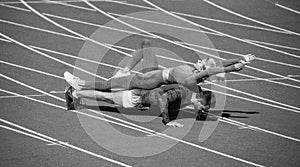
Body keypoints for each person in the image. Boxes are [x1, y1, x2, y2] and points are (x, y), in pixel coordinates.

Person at [65, 39, 255, 91]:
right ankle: (125, 69)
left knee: (108, 85)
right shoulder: (194, 71)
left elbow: (215, 68)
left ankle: (80, 84)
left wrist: (230, 69)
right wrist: (241, 59)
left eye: (203, 62)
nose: (200, 60)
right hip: (155, 72)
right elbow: (217, 64)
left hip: (147, 81)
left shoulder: (192, 77)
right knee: (146, 46)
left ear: (202, 69)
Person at [65, 83, 216, 127]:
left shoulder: (194, 95)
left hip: (142, 98)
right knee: (107, 97)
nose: (204, 112)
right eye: (204, 108)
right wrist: (168, 120)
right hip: (138, 96)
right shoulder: (184, 94)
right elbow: (164, 98)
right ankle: (75, 93)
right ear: (200, 101)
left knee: (107, 95)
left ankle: (78, 91)